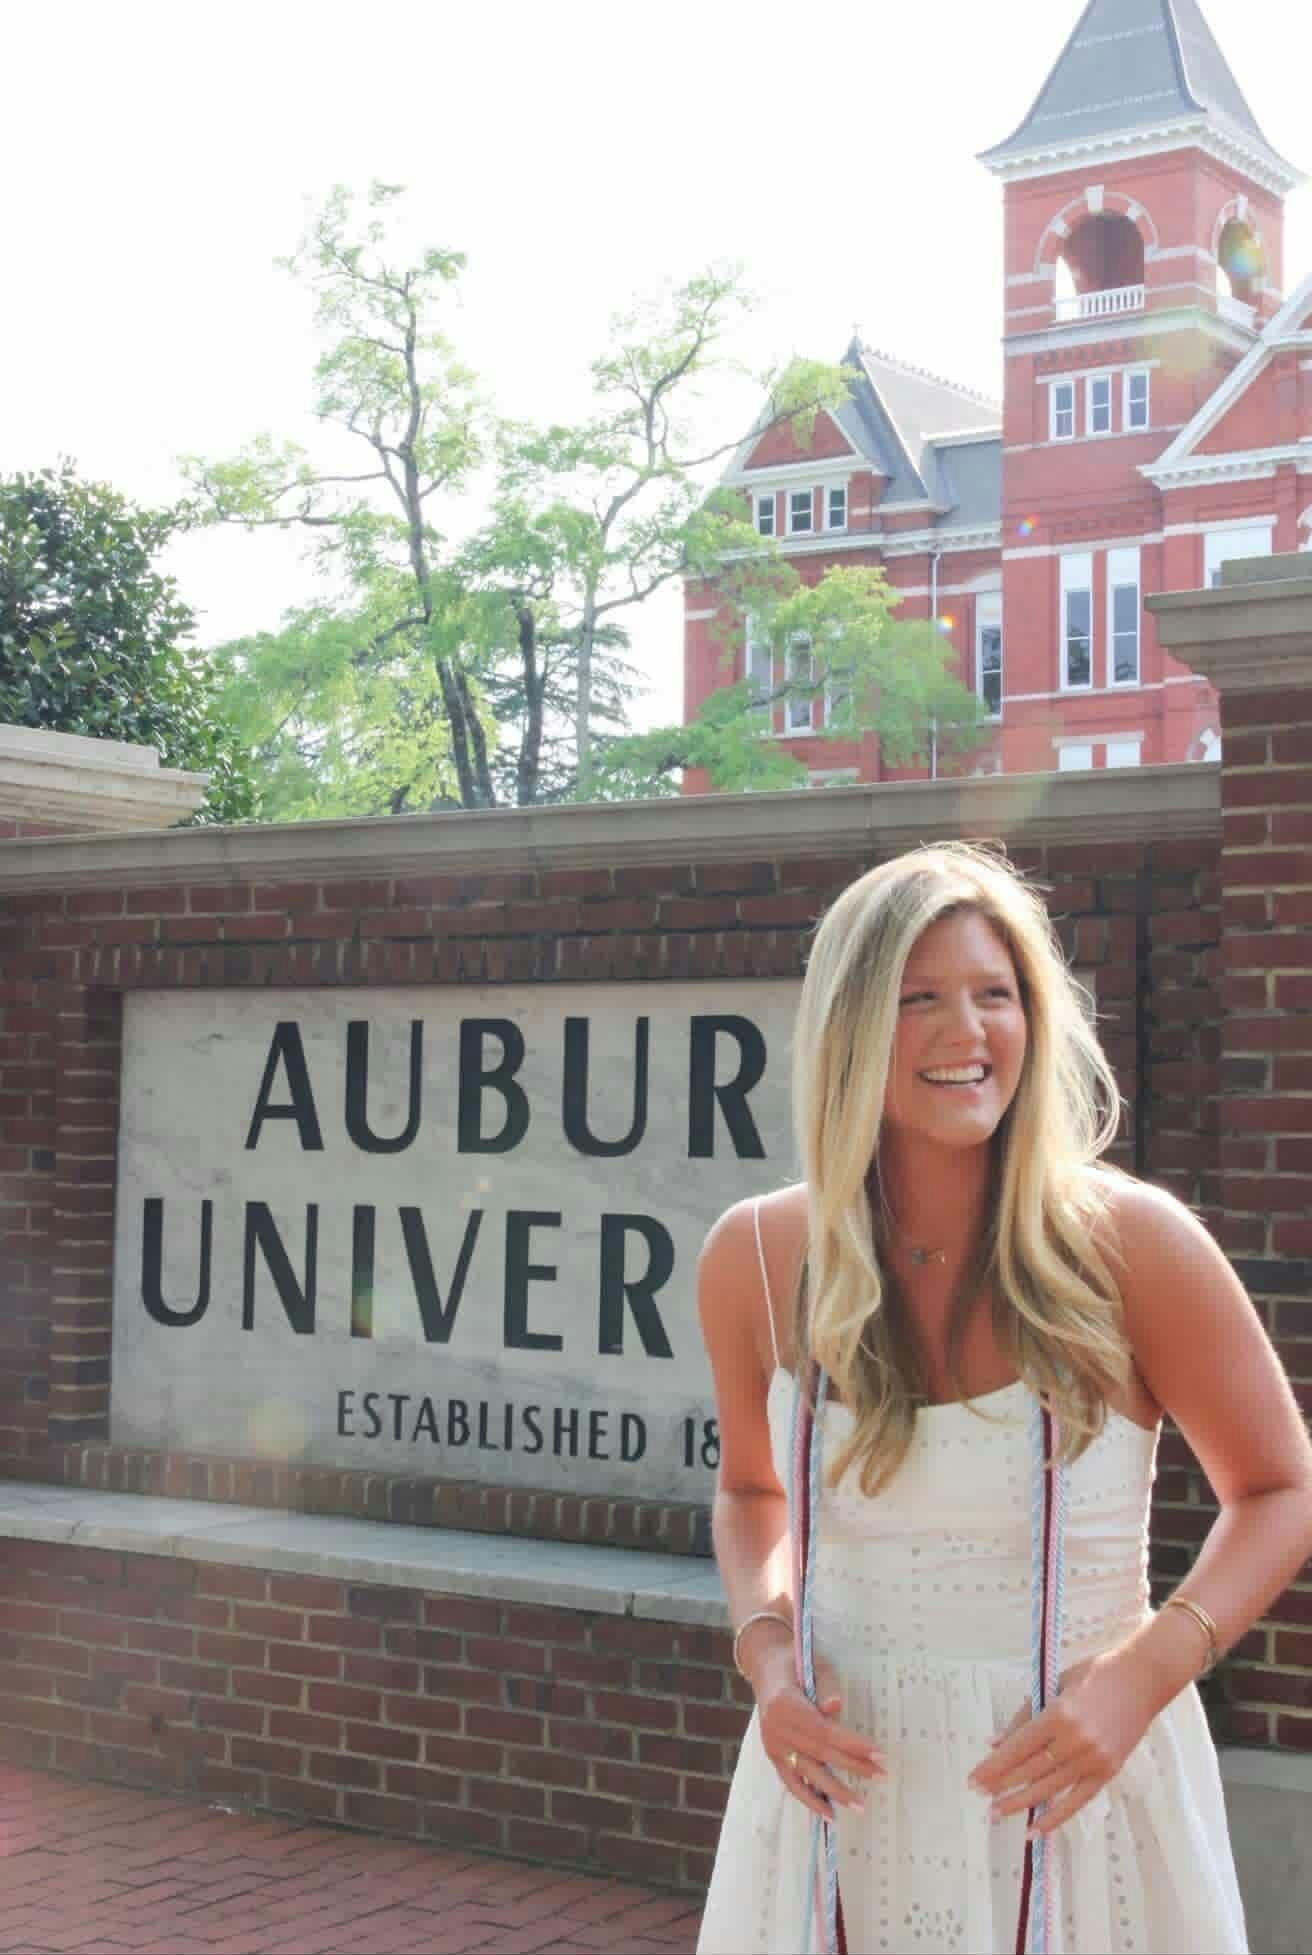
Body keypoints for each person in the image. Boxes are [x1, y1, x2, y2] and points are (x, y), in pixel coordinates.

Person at [695, 843, 1312, 1955]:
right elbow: (749, 1490)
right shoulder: (751, 1253)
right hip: (844, 1794)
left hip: (1075, 1785)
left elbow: (1277, 1488)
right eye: (917, 997)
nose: (965, 1030)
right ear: (845, 1027)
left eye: (995, 993)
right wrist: (768, 1657)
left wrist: (1140, 1682)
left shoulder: (1132, 1244)